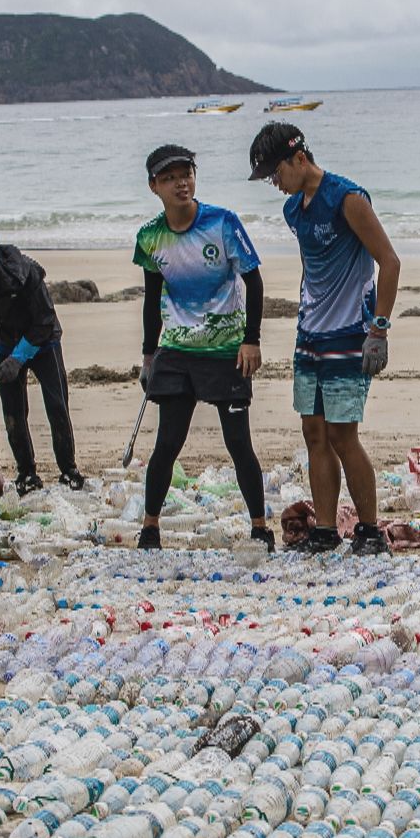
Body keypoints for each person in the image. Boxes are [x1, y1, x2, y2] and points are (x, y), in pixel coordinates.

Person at [247, 122, 401, 555]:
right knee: (313, 432)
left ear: (299, 158)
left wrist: (380, 329)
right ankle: (326, 530)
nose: (275, 185)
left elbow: (389, 262)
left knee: (342, 435)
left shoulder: (348, 199)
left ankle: (370, 530)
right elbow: (314, 271)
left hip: (351, 332)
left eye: (276, 174)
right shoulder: (293, 210)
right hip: (310, 335)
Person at [133, 144, 274, 552]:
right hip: (176, 351)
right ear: (153, 186)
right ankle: (150, 528)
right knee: (167, 444)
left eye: (187, 173)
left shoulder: (222, 223)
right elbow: (151, 298)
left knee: (238, 443)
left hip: (225, 350)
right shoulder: (150, 237)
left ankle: (260, 526)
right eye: (171, 177)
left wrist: (252, 340)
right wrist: (148, 355)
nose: (182, 182)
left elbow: (255, 281)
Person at [0, 223, 86, 495]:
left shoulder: (24, 272)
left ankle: (69, 471)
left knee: (57, 407)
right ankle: (27, 475)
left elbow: (44, 320)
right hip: (7, 340)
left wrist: (18, 359)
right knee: (13, 415)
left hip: (43, 340)